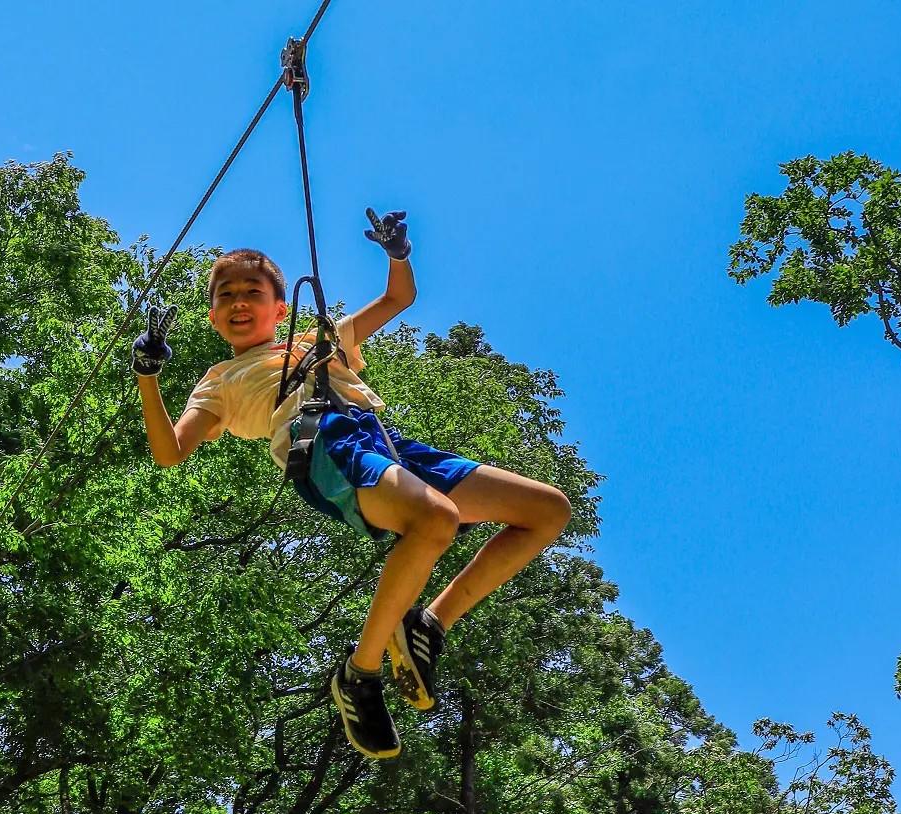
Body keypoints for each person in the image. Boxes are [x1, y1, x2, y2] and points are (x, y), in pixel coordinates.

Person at [132, 210, 572, 759]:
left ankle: (429, 626)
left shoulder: (321, 338)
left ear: (280, 307)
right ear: (213, 316)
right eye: (226, 296)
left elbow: (396, 300)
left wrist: (397, 253)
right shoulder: (219, 381)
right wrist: (148, 377)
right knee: (436, 519)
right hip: (319, 444)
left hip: (384, 441)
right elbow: (170, 453)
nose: (239, 302)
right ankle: (359, 676)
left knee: (547, 510)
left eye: (252, 291)